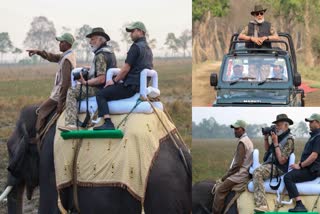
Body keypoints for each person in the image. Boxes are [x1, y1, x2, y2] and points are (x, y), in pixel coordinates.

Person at [93, 21, 153, 130]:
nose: (130, 34)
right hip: (140, 86)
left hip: (130, 87)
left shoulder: (135, 47)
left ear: (140, 31)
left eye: (133, 31)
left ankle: (108, 122)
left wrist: (114, 81)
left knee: (101, 94)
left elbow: (125, 69)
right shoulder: (148, 49)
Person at [58, 28, 117, 131]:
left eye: (93, 39)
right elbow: (104, 70)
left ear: (100, 40)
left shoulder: (100, 55)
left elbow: (101, 79)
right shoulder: (110, 52)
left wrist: (85, 82)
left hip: (99, 88)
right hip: (109, 87)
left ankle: (71, 124)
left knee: (72, 91)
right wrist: (91, 69)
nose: (90, 42)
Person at [26, 33, 76, 140]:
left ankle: (39, 137)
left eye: (61, 42)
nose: (59, 44)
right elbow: (52, 57)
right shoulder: (67, 55)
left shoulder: (67, 60)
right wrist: (38, 52)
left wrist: (61, 102)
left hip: (59, 95)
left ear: (67, 44)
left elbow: (65, 82)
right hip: (60, 93)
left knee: (41, 111)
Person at [253, 114, 294, 212]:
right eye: (276, 125)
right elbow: (268, 150)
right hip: (270, 164)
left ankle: (262, 205)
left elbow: (282, 160)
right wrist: (266, 138)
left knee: (257, 172)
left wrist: (275, 143)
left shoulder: (289, 139)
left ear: (286, 126)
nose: (277, 127)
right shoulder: (278, 136)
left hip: (279, 166)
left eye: (279, 125)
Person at [212, 120, 254, 214]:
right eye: (234, 129)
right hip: (244, 173)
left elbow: (237, 165)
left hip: (239, 175)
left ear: (243, 129)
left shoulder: (242, 142)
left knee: (220, 190)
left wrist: (225, 176)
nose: (234, 131)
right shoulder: (248, 141)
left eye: (237, 129)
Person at [284, 113, 320, 212]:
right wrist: (298, 163)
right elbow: (308, 154)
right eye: (309, 122)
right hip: (308, 167)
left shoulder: (318, 137)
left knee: (288, 177)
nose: (309, 124)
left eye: (311, 122)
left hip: (312, 170)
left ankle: (300, 205)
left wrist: (300, 165)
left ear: (318, 123)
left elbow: (314, 156)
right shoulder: (314, 136)